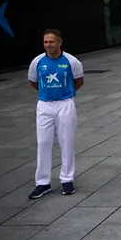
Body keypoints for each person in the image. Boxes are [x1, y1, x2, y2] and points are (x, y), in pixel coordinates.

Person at [27, 29, 84, 200]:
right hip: (44, 105)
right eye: (45, 42)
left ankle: (67, 179)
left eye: (51, 42)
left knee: (66, 141)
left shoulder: (71, 61)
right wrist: (48, 94)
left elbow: (79, 81)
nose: (48, 45)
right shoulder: (37, 61)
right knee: (43, 142)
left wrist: (64, 94)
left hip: (65, 104)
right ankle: (43, 183)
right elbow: (34, 82)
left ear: (60, 42)